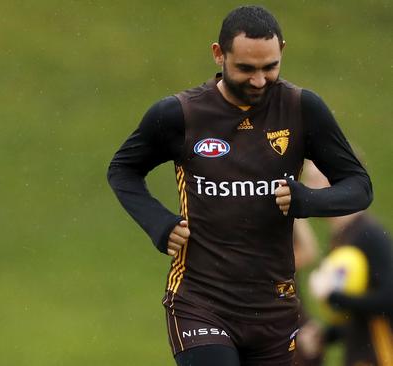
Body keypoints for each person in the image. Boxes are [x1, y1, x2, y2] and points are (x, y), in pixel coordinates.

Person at [107, 5, 372, 366]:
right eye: (246, 69)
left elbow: (358, 185)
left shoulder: (301, 108)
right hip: (201, 302)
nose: (260, 80)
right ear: (219, 54)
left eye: (270, 67)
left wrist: (306, 199)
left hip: (274, 308)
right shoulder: (180, 115)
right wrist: (158, 223)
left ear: (282, 51)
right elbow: (123, 169)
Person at [303, 161, 393, 366]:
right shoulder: (341, 237)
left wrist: (333, 297)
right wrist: (326, 335)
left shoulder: (369, 235)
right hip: (359, 356)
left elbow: (389, 299)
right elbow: (359, 315)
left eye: (313, 178)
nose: (307, 186)